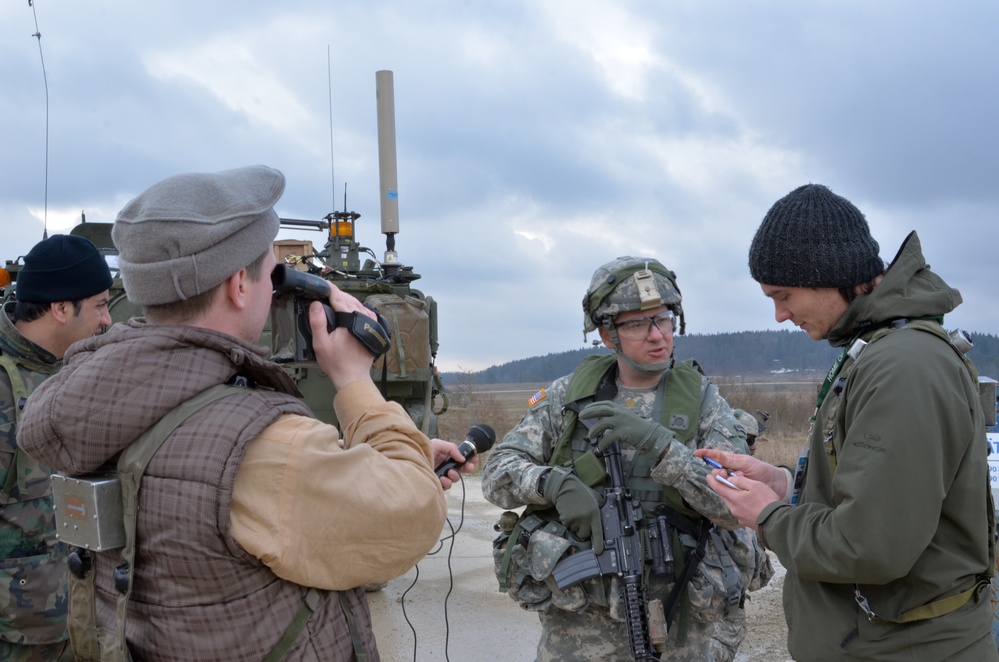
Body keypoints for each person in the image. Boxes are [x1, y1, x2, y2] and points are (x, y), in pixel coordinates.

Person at [16, 166, 454, 661]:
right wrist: (355, 382)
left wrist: (377, 457)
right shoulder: (263, 447)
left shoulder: (99, 399)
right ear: (238, 287)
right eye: (271, 273)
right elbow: (413, 511)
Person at [698, 183, 998, 661]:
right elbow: (870, 496)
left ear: (827, 275)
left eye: (783, 295)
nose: (778, 316)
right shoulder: (880, 351)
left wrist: (770, 517)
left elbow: (871, 546)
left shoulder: (903, 367)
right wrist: (785, 487)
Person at [481, 256, 772, 661]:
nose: (657, 336)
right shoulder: (570, 397)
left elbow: (735, 502)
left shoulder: (703, 402)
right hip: (582, 626)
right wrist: (554, 484)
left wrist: (664, 448)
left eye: (664, 319)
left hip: (679, 615)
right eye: (637, 324)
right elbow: (497, 470)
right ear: (607, 334)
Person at [0, 234, 112, 661]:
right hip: (20, 634)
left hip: (81, 619)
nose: (107, 319)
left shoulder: (81, 368)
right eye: (100, 305)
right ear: (61, 309)